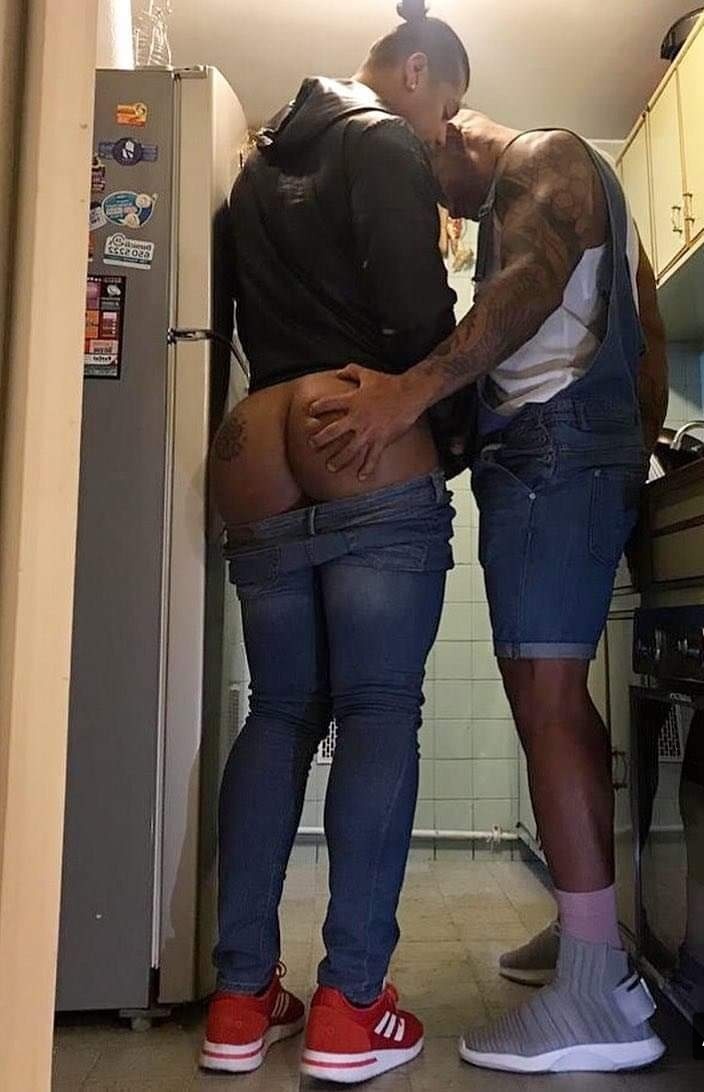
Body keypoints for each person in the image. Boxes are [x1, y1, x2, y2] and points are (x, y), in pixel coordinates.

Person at [307, 109, 670, 1074]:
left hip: (556, 457)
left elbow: (529, 285)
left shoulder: (541, 157)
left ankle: (592, 997)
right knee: (557, 702)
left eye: (440, 191)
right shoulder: (585, 189)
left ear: (445, 130)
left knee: (545, 703)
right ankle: (591, 937)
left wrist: (409, 392)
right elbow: (648, 329)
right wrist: (620, 454)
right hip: (568, 455)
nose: (451, 213)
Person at [197, 14, 471, 1085]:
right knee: (377, 710)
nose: (442, 131)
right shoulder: (382, 139)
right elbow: (414, 314)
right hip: (358, 434)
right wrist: (449, 426)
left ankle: (238, 999)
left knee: (277, 713)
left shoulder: (254, 165)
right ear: (416, 71)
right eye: (444, 107)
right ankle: (353, 1009)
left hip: (256, 439)